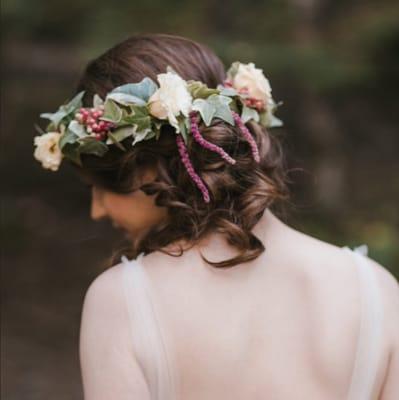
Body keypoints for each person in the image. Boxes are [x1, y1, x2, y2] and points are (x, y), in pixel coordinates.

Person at [33, 33, 399, 399]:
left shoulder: (121, 302)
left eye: (100, 187)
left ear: (146, 169)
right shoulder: (376, 291)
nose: (98, 210)